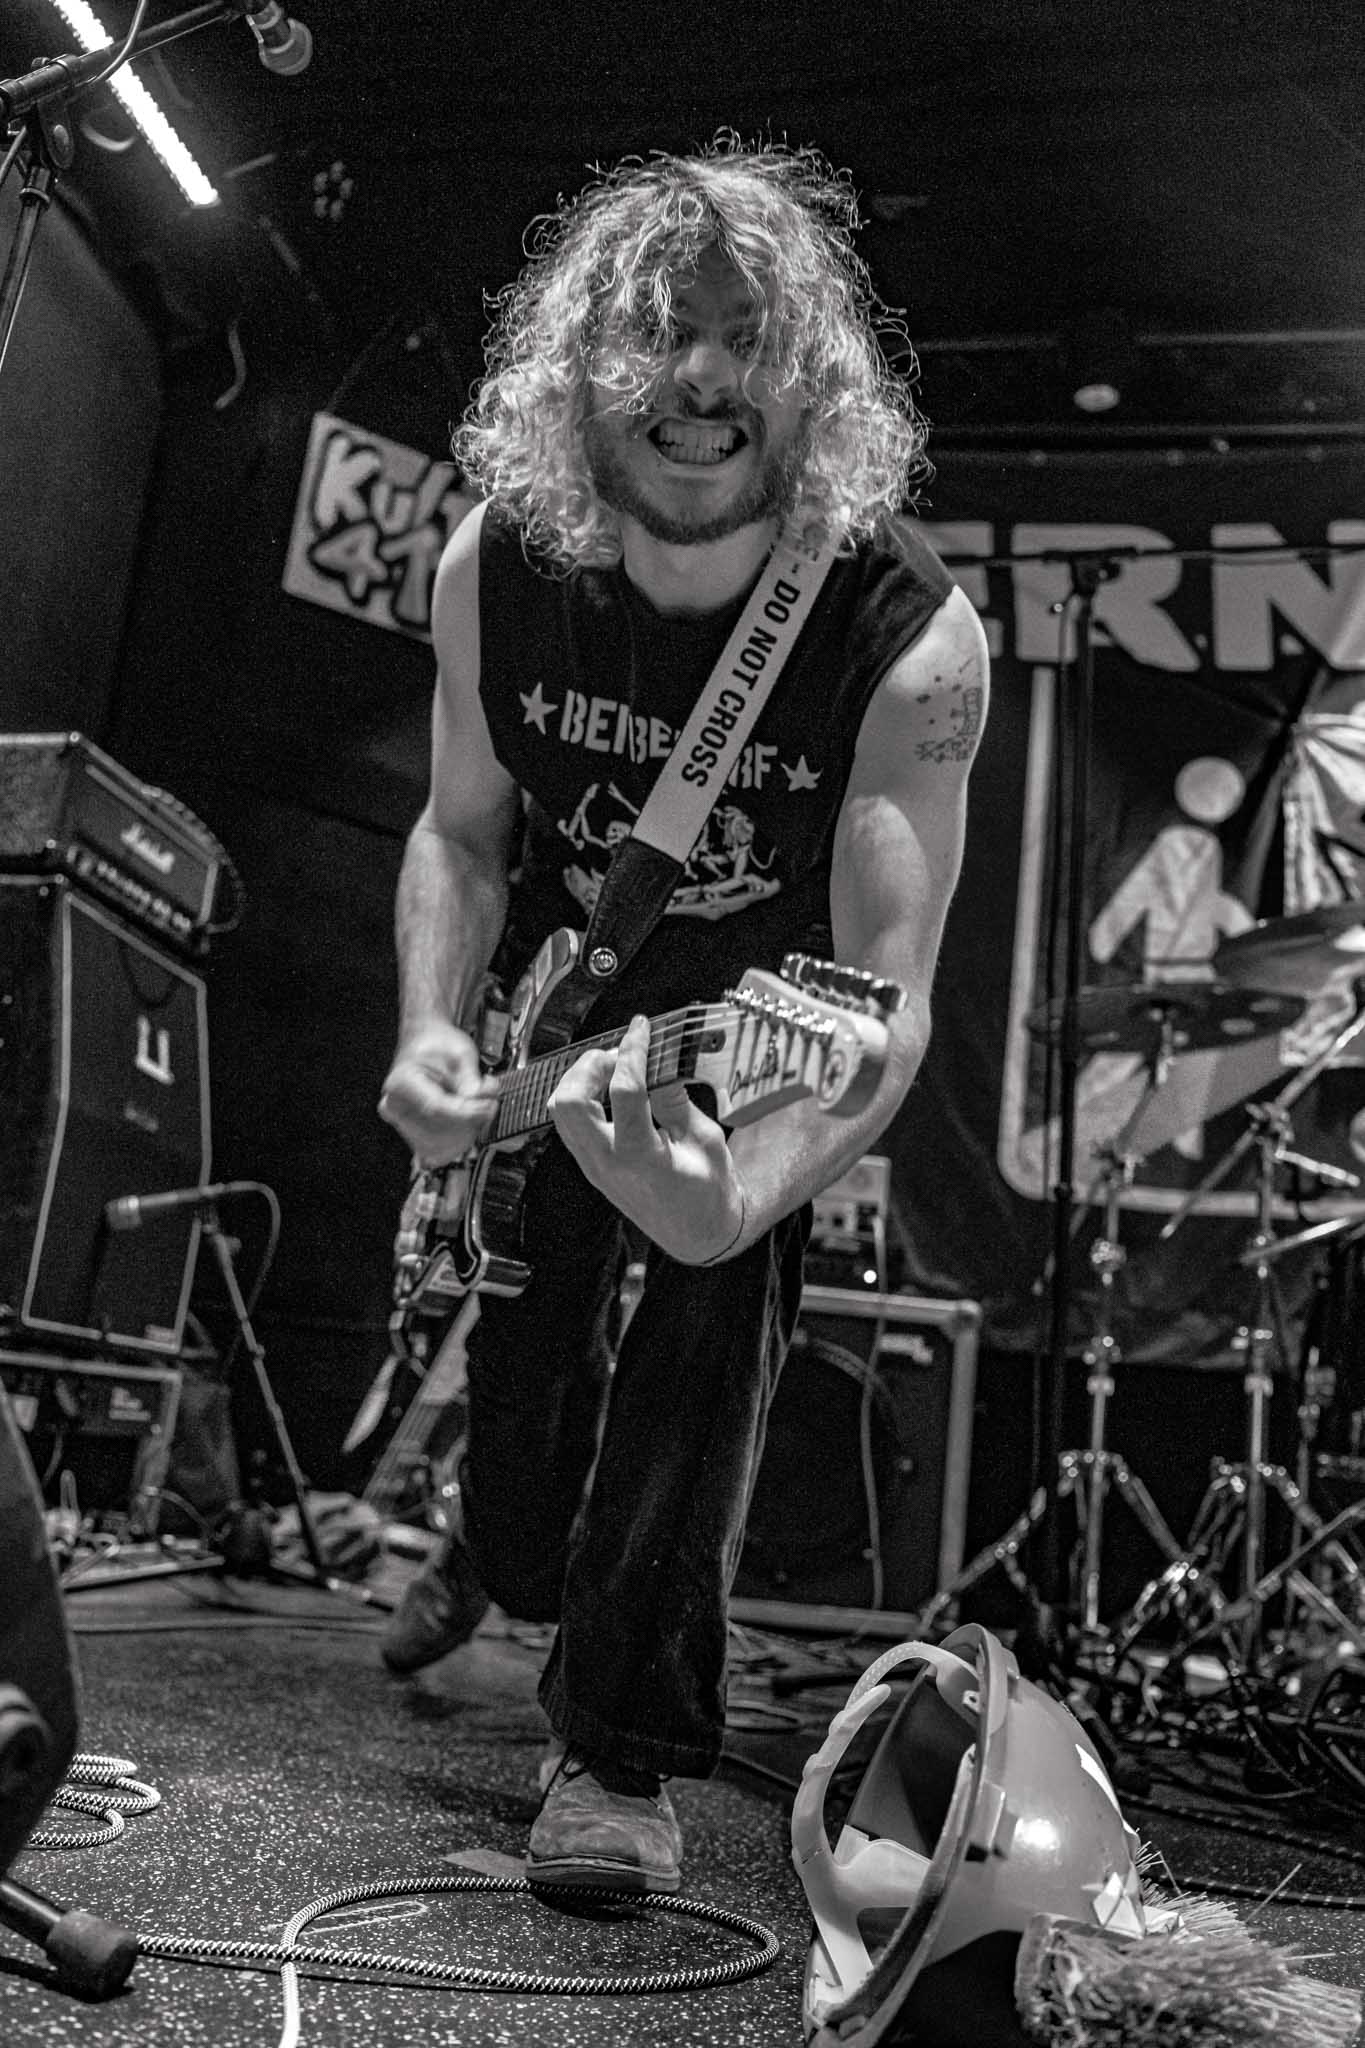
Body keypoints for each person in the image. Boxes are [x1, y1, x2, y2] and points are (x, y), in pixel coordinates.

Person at [375, 136, 989, 1893]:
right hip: (555, 1019)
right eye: (659, 334)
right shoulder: (496, 565)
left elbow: (884, 1006)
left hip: (754, 1049)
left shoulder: (906, 637)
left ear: (812, 380)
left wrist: (745, 1192)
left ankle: (620, 1754)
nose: (704, 380)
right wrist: (432, 1030)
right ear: (581, 368)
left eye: (748, 340)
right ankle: (495, 1544)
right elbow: (460, 832)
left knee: (703, 1348)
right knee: (525, 1438)